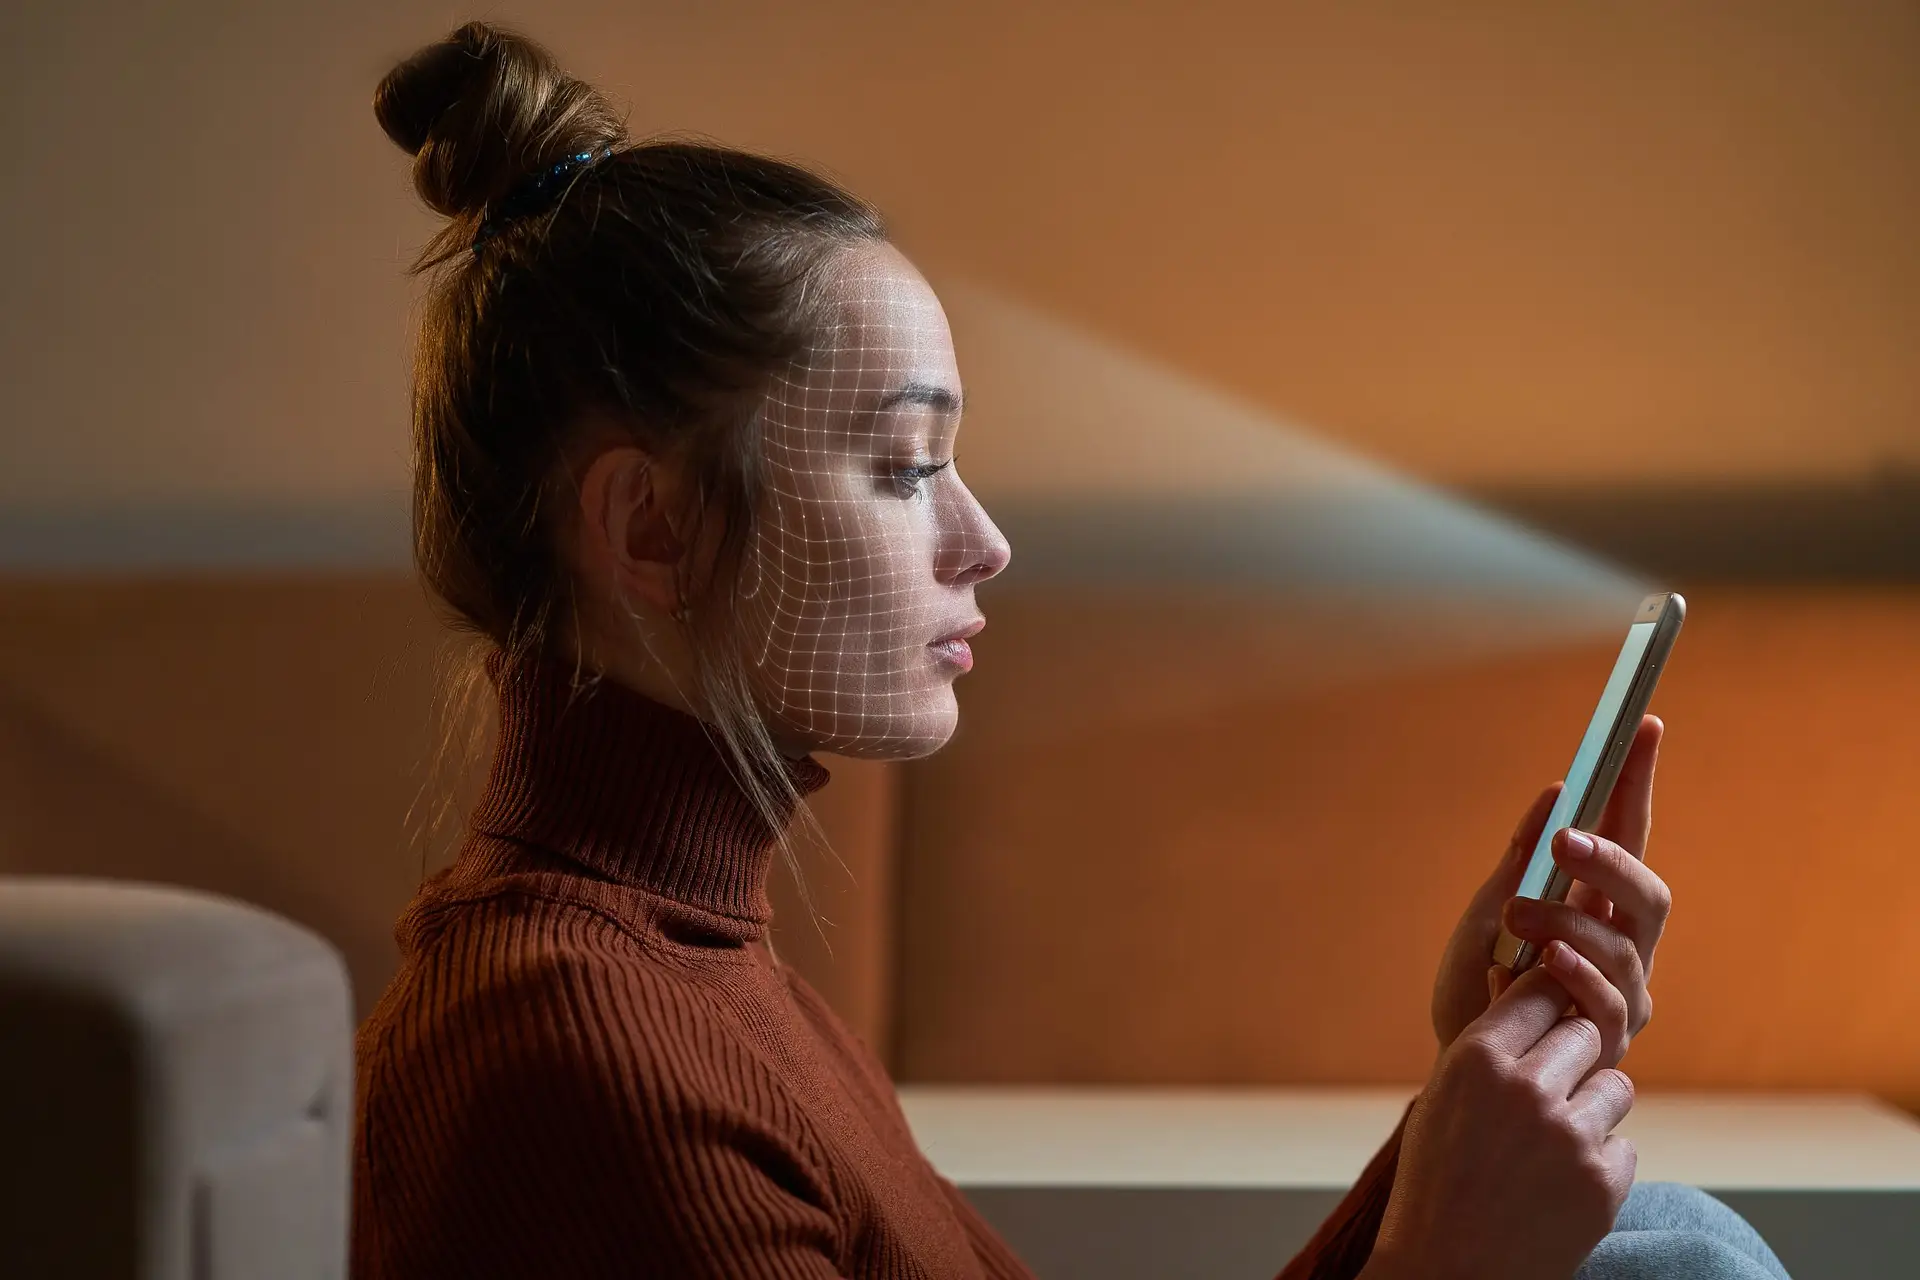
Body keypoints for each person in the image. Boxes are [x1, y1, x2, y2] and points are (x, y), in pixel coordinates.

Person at [354, 21, 1792, 1280]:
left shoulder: (703, 980)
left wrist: (1461, 1136)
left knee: (1658, 1242)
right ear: (652, 532)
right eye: (907, 465)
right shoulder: (578, 1060)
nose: (986, 541)